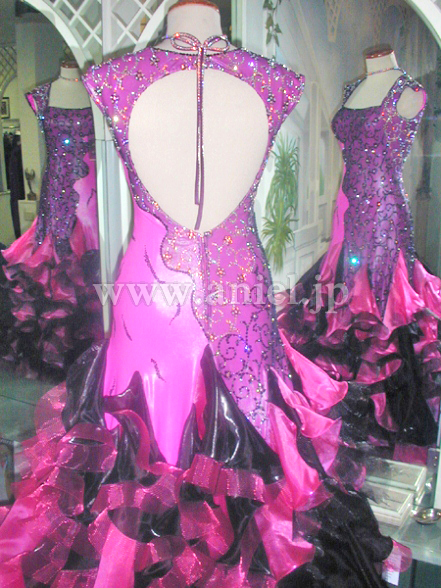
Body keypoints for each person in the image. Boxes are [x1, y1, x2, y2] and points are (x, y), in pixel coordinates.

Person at [0, 9, 409, 586]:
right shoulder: (125, 78)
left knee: (225, 440)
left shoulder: (265, 81)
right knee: (153, 444)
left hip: (187, 300)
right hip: (176, 304)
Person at [279, 48, 440, 461]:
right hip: (346, 213)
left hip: (383, 216)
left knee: (377, 314)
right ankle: (343, 422)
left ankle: (379, 425)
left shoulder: (409, 93)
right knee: (336, 308)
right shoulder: (353, 88)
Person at [0, 61, 102, 378]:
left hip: (92, 190)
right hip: (56, 190)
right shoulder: (40, 96)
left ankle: (98, 350)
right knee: (55, 260)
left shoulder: (98, 90)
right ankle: (59, 351)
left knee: (92, 257)